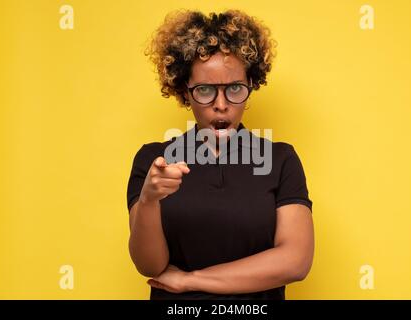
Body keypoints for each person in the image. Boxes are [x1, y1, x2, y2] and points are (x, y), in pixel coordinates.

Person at [126, 9, 314, 300]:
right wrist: (149, 200)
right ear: (185, 92)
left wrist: (190, 280)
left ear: (251, 85)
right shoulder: (154, 161)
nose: (221, 105)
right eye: (205, 90)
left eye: (235, 88)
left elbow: (295, 260)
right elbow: (149, 265)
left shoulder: (281, 160)